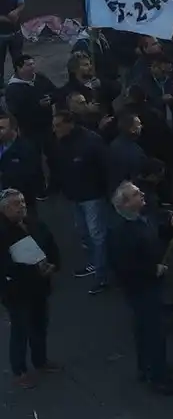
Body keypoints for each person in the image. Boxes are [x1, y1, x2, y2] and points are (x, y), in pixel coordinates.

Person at [107, 181, 173, 394]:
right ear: (125, 203)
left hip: (149, 283)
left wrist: (172, 224)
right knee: (153, 331)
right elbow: (125, 267)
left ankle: (146, 366)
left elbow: (156, 231)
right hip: (141, 287)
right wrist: (153, 270)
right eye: (135, 194)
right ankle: (159, 377)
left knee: (144, 329)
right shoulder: (119, 232)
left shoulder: (140, 218)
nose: (142, 194)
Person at [0, 188, 62, 388]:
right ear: (4, 209)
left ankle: (40, 360)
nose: (22, 206)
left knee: (40, 324)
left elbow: (50, 243)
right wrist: (33, 272)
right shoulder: (3, 233)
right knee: (20, 330)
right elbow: (6, 266)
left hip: (39, 287)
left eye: (22, 202)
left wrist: (54, 263)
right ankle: (19, 370)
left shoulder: (33, 222)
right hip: (16, 292)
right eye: (16, 204)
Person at [49, 108, 109, 294]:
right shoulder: (61, 142)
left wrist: (106, 191)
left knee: (97, 235)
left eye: (58, 125)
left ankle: (102, 275)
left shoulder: (91, 142)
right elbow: (59, 167)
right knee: (84, 233)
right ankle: (95, 263)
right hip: (74, 195)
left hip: (92, 196)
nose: (55, 129)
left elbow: (105, 167)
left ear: (70, 124)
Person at [0, 0, 26, 82]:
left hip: (15, 32)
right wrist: (8, 19)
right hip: (1, 35)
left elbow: (22, 3)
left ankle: (20, 81)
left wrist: (16, 12)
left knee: (18, 59)